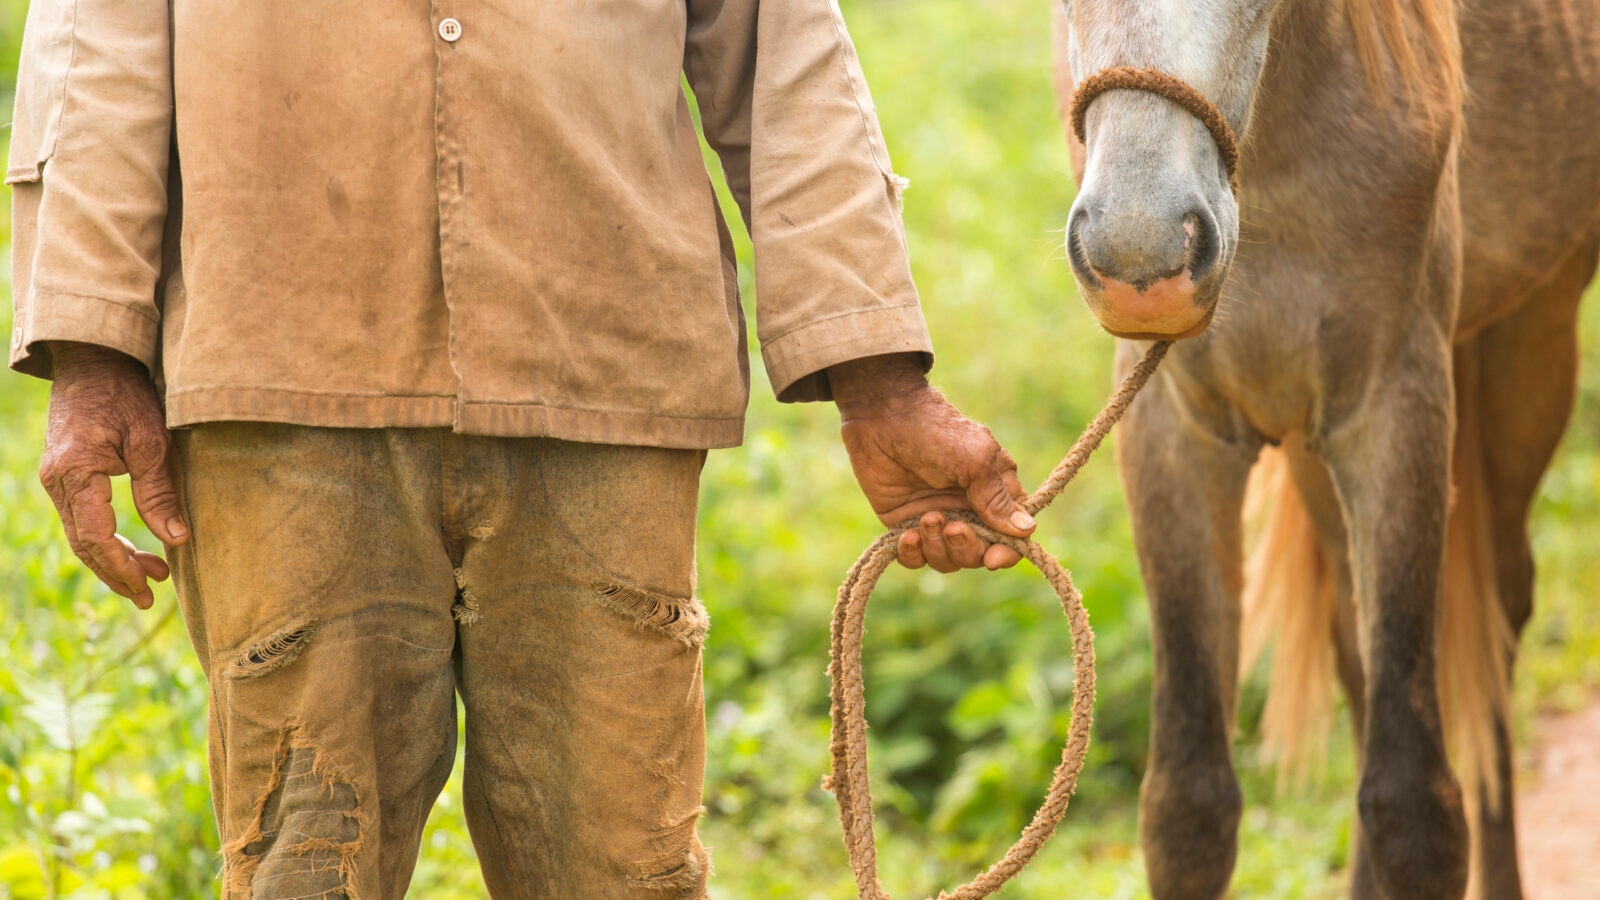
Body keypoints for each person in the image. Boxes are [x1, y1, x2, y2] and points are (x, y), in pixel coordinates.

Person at [7, 2, 1037, 897]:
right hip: (282, 374)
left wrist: (880, 381)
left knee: (627, 873)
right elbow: (100, 39)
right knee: (301, 864)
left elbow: (783, 54)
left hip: (601, 365)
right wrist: (92, 350)